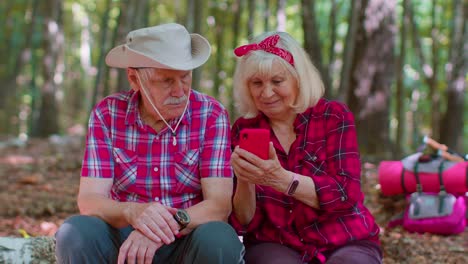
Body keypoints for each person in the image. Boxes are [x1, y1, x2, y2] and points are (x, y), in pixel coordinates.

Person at [55, 23, 244, 264]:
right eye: (166, 80)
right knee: (75, 232)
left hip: (187, 236)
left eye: (185, 77)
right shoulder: (108, 114)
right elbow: (90, 200)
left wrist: (160, 229)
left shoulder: (211, 114)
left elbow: (219, 206)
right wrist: (132, 212)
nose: (179, 91)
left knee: (219, 238)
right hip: (124, 238)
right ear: (134, 78)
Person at [229, 32, 382, 264]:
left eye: (277, 82)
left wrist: (282, 179)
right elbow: (245, 221)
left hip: (343, 236)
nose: (266, 93)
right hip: (275, 242)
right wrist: (244, 180)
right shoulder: (243, 129)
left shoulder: (333, 117)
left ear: (298, 79)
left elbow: (345, 195)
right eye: (257, 83)